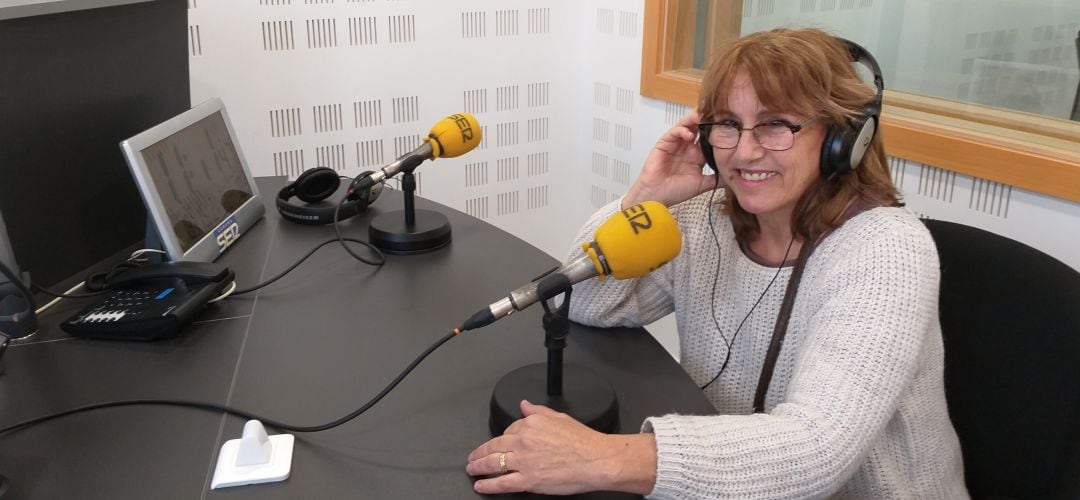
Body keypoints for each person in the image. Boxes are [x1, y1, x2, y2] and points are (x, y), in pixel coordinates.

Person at [466, 28, 968, 498]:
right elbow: (590, 305)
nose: (745, 151)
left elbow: (819, 449)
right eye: (728, 123)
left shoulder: (886, 249)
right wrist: (643, 201)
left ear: (844, 139)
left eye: (775, 124)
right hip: (729, 481)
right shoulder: (704, 217)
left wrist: (597, 457)